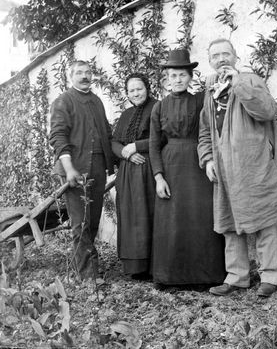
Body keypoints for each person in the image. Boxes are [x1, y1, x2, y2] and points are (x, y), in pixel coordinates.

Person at [198, 38, 277, 297]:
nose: (221, 59)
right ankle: (237, 277)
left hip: (254, 165)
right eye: (215, 56)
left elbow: (267, 111)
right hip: (225, 169)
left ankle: (270, 276)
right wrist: (207, 159)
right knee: (229, 223)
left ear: (236, 57)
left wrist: (237, 81)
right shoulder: (211, 91)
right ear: (210, 62)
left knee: (263, 219)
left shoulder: (249, 80)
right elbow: (205, 130)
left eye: (226, 54)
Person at [149, 48, 225, 288]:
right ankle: (169, 276)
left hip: (198, 163)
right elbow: (153, 145)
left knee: (201, 216)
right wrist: (159, 177)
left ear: (191, 77)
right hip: (170, 165)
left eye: (182, 75)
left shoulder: (201, 99)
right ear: (166, 79)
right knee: (171, 220)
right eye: (173, 75)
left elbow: (215, 117)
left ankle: (207, 276)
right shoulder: (159, 108)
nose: (178, 80)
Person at [49, 60, 114, 280]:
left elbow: (106, 132)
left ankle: (88, 267)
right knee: (81, 222)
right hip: (74, 168)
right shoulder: (63, 101)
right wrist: (69, 169)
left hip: (97, 166)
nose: (84, 76)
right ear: (70, 77)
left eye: (87, 72)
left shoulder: (96, 101)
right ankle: (88, 276)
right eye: (79, 73)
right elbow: (58, 136)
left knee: (93, 220)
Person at [111, 73, 157, 278]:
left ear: (147, 88)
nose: (136, 93)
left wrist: (136, 146)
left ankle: (154, 266)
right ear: (127, 94)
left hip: (149, 171)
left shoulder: (158, 107)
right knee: (131, 217)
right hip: (128, 175)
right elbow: (113, 143)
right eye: (131, 90)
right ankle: (135, 267)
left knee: (149, 216)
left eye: (139, 88)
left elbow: (163, 138)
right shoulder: (126, 114)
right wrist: (126, 154)